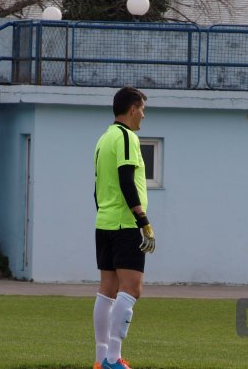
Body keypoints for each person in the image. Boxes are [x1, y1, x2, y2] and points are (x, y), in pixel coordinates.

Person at [92, 86, 155, 369]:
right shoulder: (127, 137)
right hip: (124, 223)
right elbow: (126, 180)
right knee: (132, 289)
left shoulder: (104, 138)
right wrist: (143, 220)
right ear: (132, 109)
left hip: (104, 222)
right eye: (142, 109)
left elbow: (97, 188)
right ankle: (113, 358)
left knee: (107, 290)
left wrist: (105, 214)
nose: (143, 115)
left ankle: (100, 359)